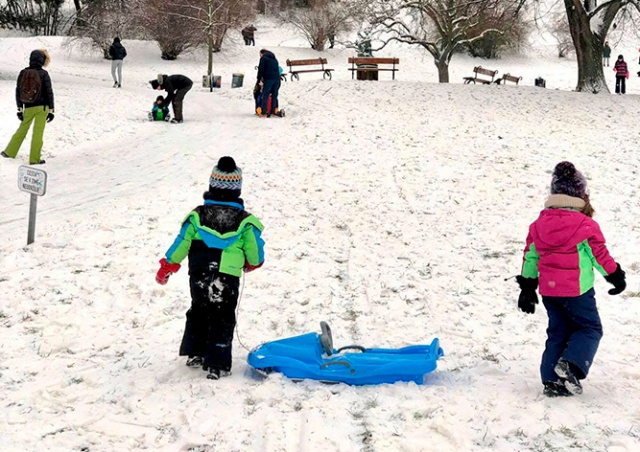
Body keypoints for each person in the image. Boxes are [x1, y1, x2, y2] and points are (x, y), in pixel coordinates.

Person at [516, 161, 626, 398]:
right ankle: (572, 364)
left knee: (558, 332)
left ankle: (551, 381)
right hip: (578, 291)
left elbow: (530, 256)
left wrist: (527, 286)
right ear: (580, 194)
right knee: (589, 328)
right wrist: (615, 275)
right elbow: (599, 255)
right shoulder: (586, 225)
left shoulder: (538, 225)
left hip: (550, 292)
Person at [155, 156, 265, 380]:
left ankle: (195, 353)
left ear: (212, 186)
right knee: (223, 315)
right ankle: (217, 363)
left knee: (199, 308)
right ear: (237, 191)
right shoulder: (245, 221)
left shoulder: (197, 216)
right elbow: (254, 250)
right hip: (228, 274)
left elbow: (182, 243)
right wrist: (253, 263)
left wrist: (168, 266)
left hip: (200, 271)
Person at [1, 49, 54, 165]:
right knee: (38, 133)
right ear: (42, 60)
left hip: (28, 107)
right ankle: (34, 159)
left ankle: (9, 151)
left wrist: (19, 108)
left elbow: (18, 91)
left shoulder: (23, 72)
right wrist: (51, 110)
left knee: (22, 130)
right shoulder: (44, 74)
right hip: (42, 108)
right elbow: (49, 92)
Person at [256, 49, 281, 117]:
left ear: (262, 53)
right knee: (274, 95)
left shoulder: (263, 58)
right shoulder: (275, 59)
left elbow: (261, 69)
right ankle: (272, 112)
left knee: (265, 95)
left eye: (260, 55)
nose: (260, 56)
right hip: (277, 79)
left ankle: (264, 112)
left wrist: (259, 78)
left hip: (269, 79)